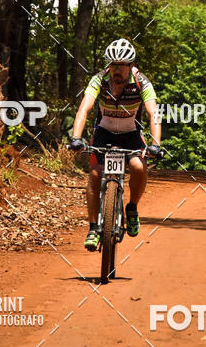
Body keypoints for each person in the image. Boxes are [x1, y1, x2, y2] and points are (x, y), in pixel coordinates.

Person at [69, 38, 162, 251]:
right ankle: (93, 228)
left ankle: (132, 208)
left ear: (131, 66)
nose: (117, 70)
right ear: (108, 65)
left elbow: (153, 113)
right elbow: (84, 109)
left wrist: (156, 144)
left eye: (122, 66)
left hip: (131, 134)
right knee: (94, 174)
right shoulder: (99, 80)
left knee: (138, 167)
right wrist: (76, 137)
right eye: (113, 65)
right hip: (104, 133)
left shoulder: (142, 82)